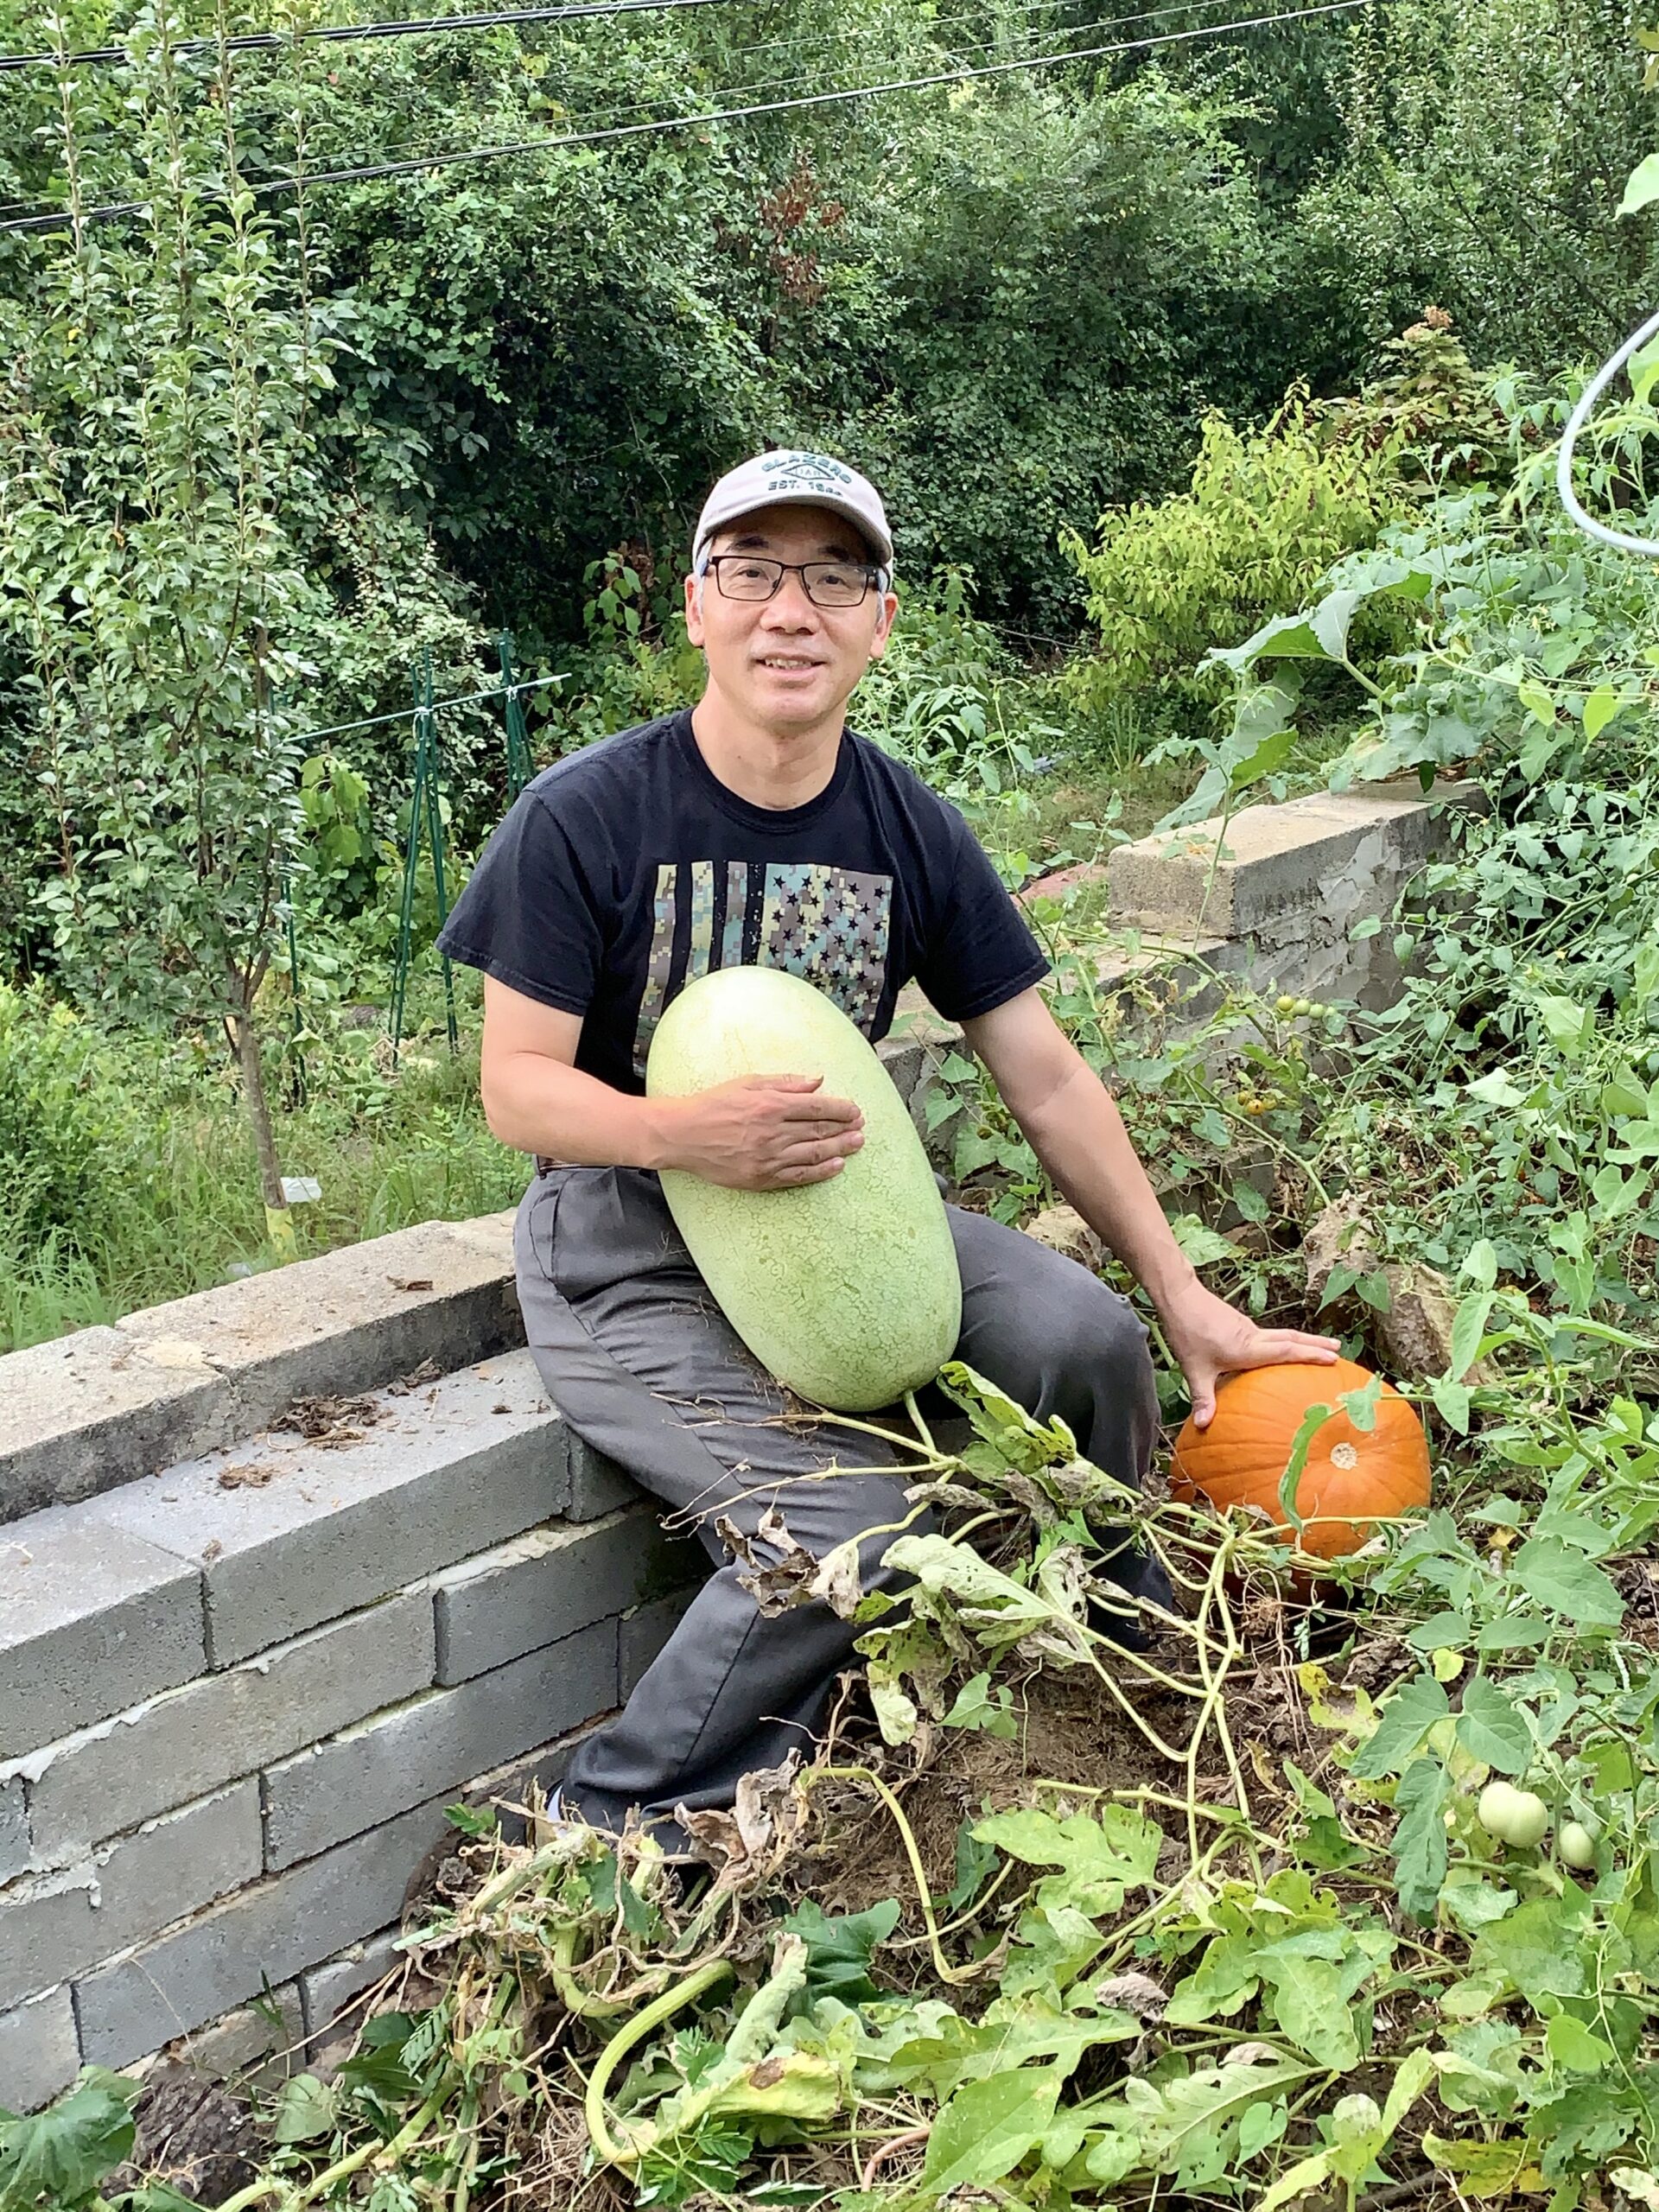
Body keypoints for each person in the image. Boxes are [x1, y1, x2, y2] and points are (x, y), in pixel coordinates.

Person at [436, 449, 1338, 1848]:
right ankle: (607, 1827)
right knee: (844, 1521)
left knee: (1088, 1343)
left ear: (880, 623)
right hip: (624, 1232)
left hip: (839, 1204)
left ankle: (1122, 1667)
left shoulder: (905, 823)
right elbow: (516, 1091)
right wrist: (685, 1133)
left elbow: (1046, 1076)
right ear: (698, 607)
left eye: (833, 578)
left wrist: (1182, 1294)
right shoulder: (587, 814)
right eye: (753, 572)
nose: (790, 610)